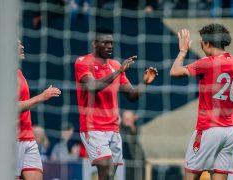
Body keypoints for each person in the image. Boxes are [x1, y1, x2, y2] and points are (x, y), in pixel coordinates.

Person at [74, 28, 158, 180]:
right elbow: (93, 87)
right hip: (93, 128)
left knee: (110, 176)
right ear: (94, 44)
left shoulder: (115, 64)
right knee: (105, 171)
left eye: (111, 43)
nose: (109, 46)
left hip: (113, 128)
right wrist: (118, 72)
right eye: (105, 42)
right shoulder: (83, 62)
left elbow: (132, 96)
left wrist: (144, 83)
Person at [170, 24, 233, 180]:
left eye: (202, 41)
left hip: (209, 128)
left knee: (190, 176)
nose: (200, 44)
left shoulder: (208, 62)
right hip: (230, 131)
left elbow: (174, 71)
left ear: (208, 43)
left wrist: (183, 51)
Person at [17, 40, 61, 179]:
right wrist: (42, 97)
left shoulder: (18, 72)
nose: (22, 46)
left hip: (28, 138)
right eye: (17, 44)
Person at [120, 110, 145, 180]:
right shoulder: (119, 131)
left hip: (136, 163)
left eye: (129, 119)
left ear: (135, 118)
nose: (127, 120)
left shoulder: (136, 130)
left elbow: (134, 132)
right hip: (122, 163)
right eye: (125, 118)